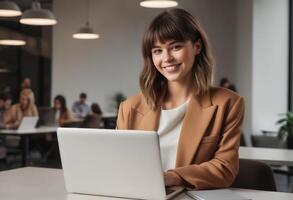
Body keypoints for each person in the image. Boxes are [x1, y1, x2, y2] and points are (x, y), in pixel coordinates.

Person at [116, 8, 244, 190]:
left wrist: (171, 178)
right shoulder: (129, 108)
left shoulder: (228, 103)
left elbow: (224, 168)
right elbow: (118, 164)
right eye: (157, 51)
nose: (166, 58)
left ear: (197, 47)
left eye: (175, 47)